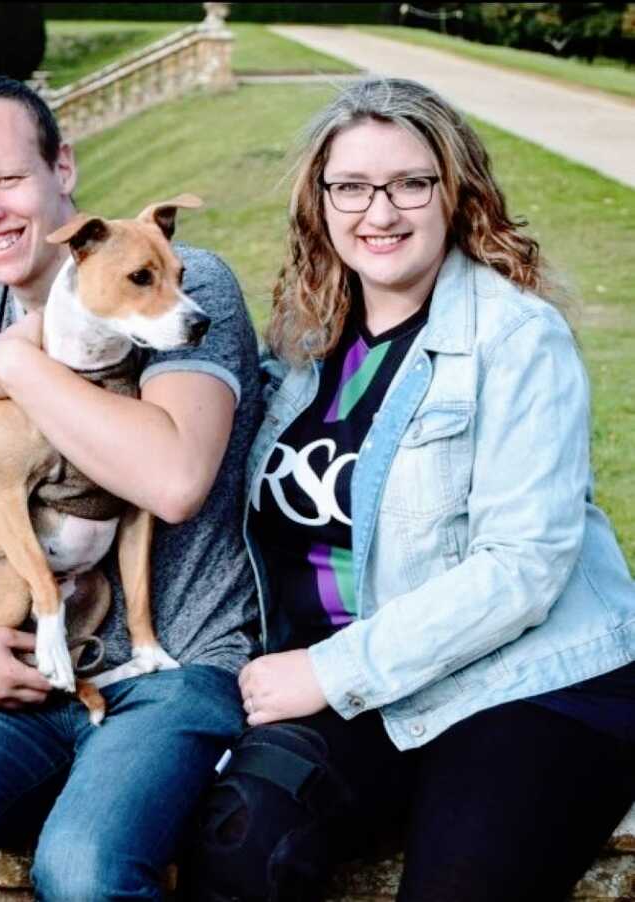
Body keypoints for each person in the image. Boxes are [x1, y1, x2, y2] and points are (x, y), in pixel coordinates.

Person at [187, 77, 635, 902]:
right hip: (368, 691)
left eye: (409, 183)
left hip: (529, 683)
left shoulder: (515, 339)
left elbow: (523, 568)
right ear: (319, 203)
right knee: (241, 843)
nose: (379, 212)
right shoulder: (301, 343)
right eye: (351, 186)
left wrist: (329, 670)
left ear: (453, 193)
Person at [0, 74, 262, 901]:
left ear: (62, 170)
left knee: (83, 872)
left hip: (172, 671)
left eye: (7, 179)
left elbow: (176, 481)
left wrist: (17, 364)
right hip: (8, 671)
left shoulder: (178, 286)